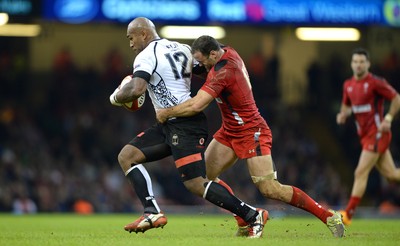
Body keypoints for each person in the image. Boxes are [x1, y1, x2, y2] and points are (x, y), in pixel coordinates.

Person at [156, 35, 345, 238]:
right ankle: (247, 218)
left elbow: (196, 105)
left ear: (213, 54)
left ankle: (328, 216)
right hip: (230, 130)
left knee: (270, 189)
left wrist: (166, 112)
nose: (201, 66)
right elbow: (201, 69)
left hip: (251, 131)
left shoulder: (224, 71)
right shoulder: (226, 52)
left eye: (203, 61)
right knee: (204, 178)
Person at [109, 17, 268, 238]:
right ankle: (152, 211)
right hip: (168, 123)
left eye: (131, 37)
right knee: (127, 156)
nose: (130, 43)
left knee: (195, 183)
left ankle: (251, 215)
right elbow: (207, 71)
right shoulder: (181, 48)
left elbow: (136, 89)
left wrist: (116, 97)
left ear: (143, 34)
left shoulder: (145, 56)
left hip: (185, 125)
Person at [336, 48, 400, 225]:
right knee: (392, 175)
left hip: (378, 133)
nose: (358, 65)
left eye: (362, 62)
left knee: (360, 171)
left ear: (368, 64)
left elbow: (396, 98)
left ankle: (347, 215)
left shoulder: (375, 82)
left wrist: (388, 118)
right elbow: (347, 107)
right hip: (364, 136)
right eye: (355, 61)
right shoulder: (348, 85)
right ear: (351, 64)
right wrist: (343, 115)